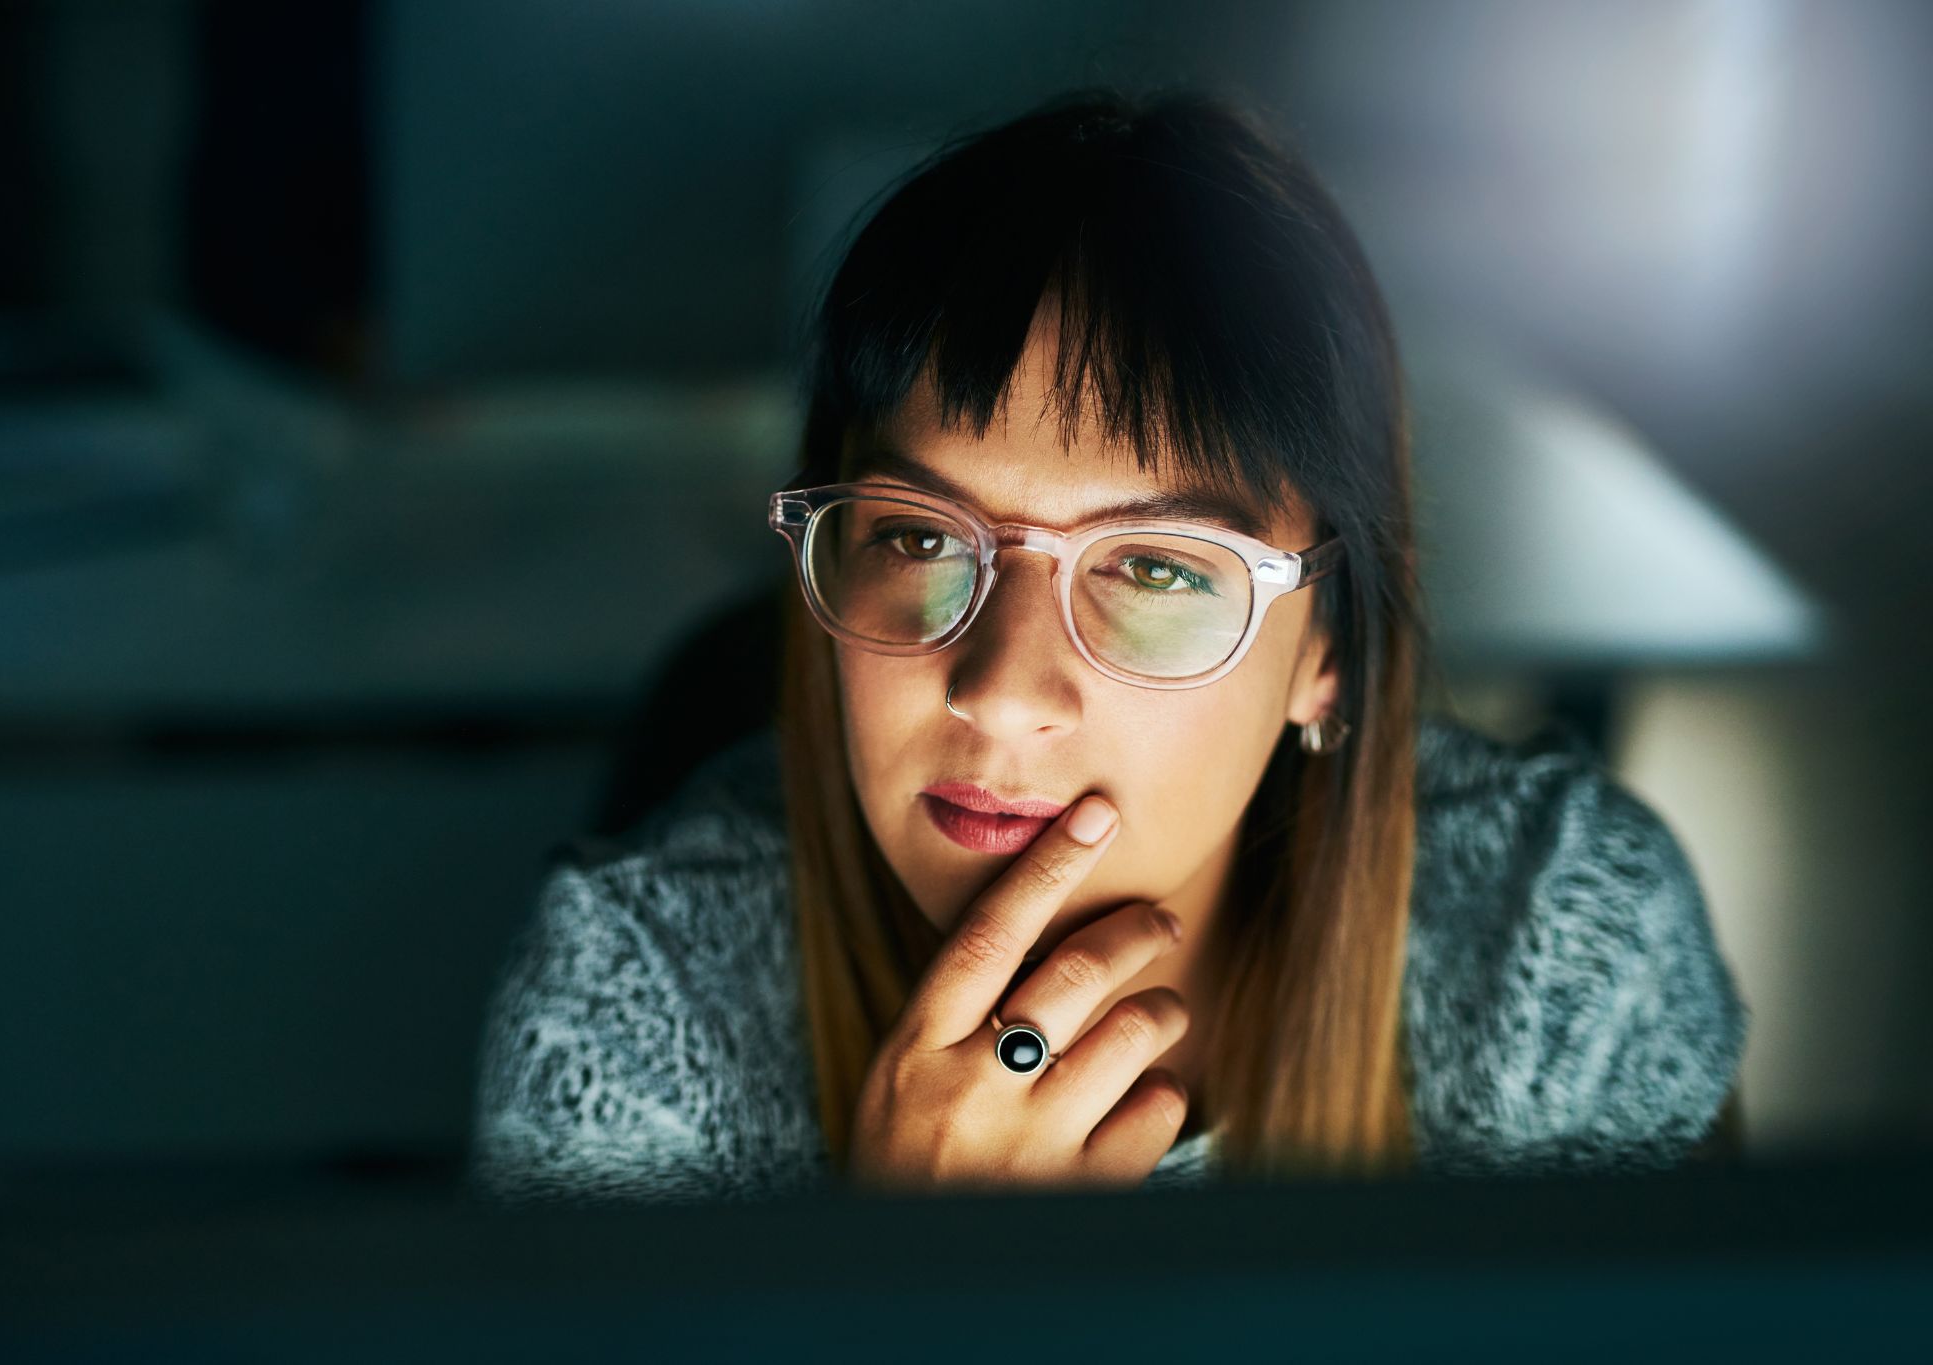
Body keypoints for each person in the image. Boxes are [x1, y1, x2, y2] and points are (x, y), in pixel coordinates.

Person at [467, 88, 1749, 1204]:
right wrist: (910, 1293)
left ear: (1329, 647)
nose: (1001, 693)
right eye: (918, 540)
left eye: (1150, 569)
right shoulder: (637, 998)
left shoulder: (1556, 944)